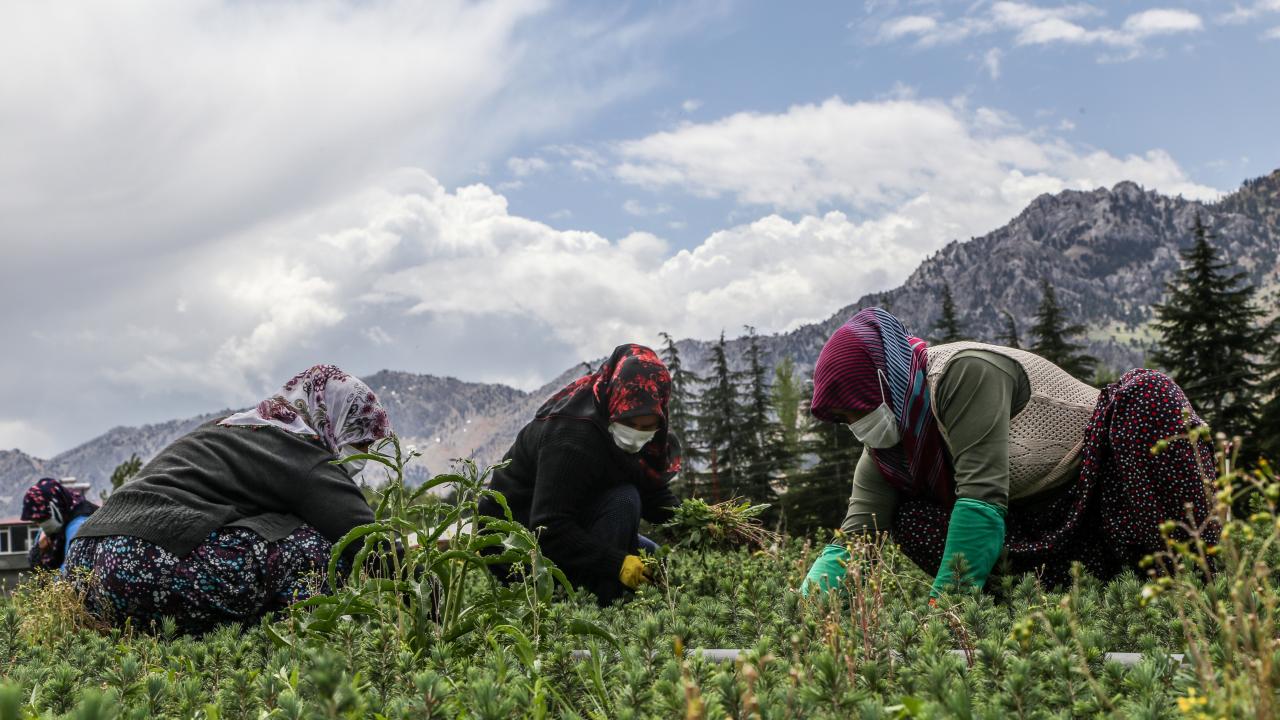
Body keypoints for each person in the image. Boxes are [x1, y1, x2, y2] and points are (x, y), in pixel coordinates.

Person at [800, 307, 1217, 600]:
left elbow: (981, 498)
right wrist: (802, 611)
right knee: (909, 517)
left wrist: (945, 611)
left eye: (858, 409)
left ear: (884, 382)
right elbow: (853, 542)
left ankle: (1194, 587)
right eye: (844, 419)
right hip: (1047, 534)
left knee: (1148, 396)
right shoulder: (887, 451)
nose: (857, 424)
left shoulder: (962, 373)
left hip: (1108, 492)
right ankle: (1017, 618)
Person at [66, 364, 391, 634]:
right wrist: (430, 594)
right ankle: (293, 641)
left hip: (83, 566)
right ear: (332, 419)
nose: (363, 455)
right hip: (143, 561)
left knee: (269, 526)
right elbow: (368, 540)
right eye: (359, 441)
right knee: (317, 541)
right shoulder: (301, 452)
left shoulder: (236, 427)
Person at [479, 344, 681, 605]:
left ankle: (605, 592)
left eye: (647, 426)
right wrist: (617, 564)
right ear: (615, 405)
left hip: (574, 518)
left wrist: (693, 521)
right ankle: (599, 610)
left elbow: (651, 491)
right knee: (624, 500)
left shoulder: (635, 434)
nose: (636, 433)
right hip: (517, 542)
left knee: (655, 558)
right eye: (629, 423)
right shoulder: (573, 439)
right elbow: (549, 529)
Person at [22, 478, 98, 573]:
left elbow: (71, 574)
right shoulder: (53, 524)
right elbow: (35, 567)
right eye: (35, 520)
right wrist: (39, 549)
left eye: (41, 519)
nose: (39, 524)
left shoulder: (79, 525)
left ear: (55, 508)